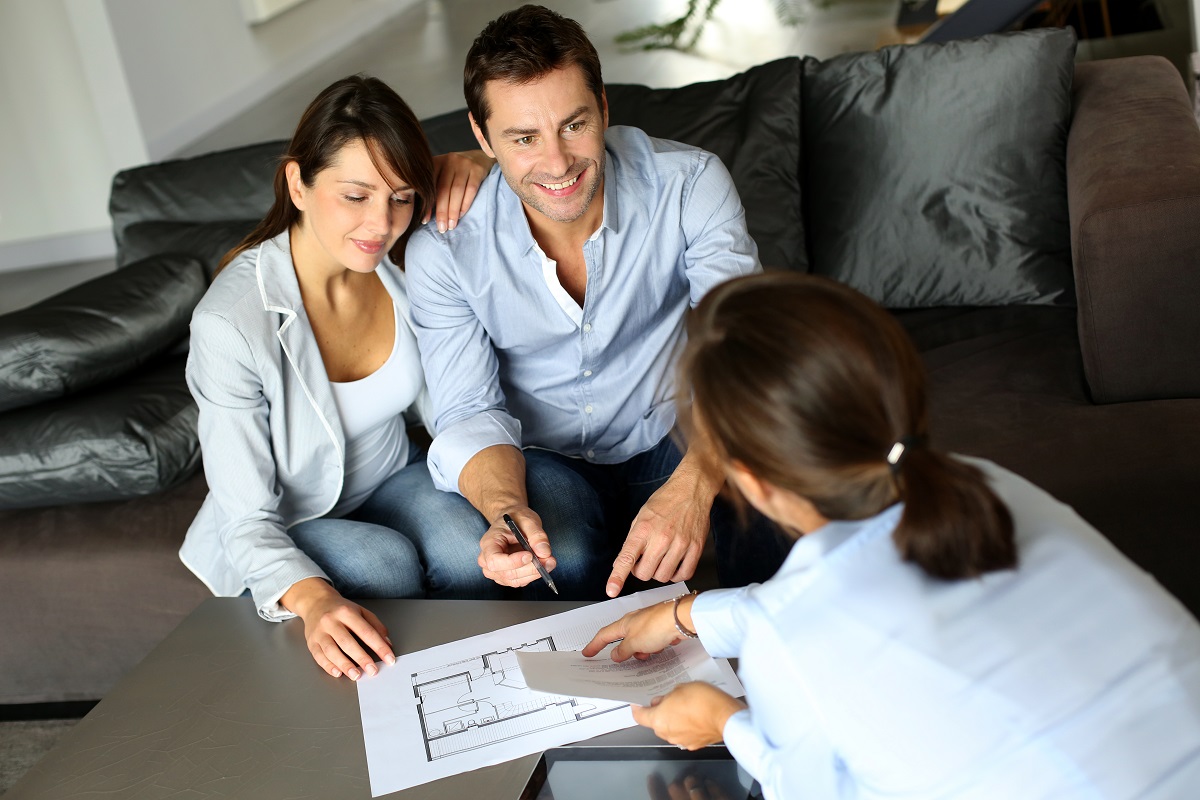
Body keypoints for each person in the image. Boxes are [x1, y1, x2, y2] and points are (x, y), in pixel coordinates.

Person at [582, 272, 1200, 798]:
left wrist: (725, 721)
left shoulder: (793, 638)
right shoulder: (986, 485)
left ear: (747, 478)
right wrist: (689, 616)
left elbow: (813, 787)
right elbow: (842, 594)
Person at [406, 4, 787, 602]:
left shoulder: (689, 184)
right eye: (523, 138)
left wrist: (697, 482)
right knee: (560, 559)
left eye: (574, 125)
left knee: (783, 479)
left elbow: (749, 351)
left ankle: (773, 657)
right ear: (482, 139)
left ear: (604, 108)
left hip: (673, 429)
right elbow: (466, 408)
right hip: (544, 458)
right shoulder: (445, 248)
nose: (557, 163)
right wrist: (506, 507)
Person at [180, 75, 499, 683]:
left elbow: (526, 169)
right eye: (355, 196)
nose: (380, 223)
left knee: (469, 549)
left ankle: (478, 692)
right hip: (286, 518)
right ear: (297, 183)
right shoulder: (230, 323)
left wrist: (473, 163)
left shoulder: (405, 253)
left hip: (391, 477)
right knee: (383, 566)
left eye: (401, 196)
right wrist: (312, 599)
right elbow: (245, 517)